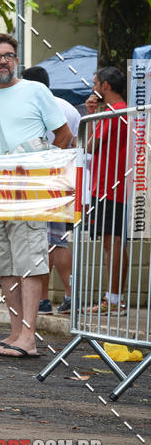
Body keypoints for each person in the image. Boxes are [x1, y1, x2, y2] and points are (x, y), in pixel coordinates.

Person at [0, 34, 72, 358]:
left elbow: (64, 136)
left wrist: (40, 174)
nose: (3, 60)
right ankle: (16, 334)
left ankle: (28, 337)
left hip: (28, 193)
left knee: (29, 261)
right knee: (4, 265)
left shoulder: (36, 91)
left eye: (9, 55)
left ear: (16, 60)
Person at [22, 65, 80, 316]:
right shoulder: (67, 106)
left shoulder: (36, 106)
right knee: (48, 240)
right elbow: (77, 141)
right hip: (66, 178)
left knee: (50, 241)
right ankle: (52, 298)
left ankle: (66, 295)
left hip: (46, 179)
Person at [85, 66, 129, 313]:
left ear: (106, 86)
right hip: (111, 186)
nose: (93, 88)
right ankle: (113, 298)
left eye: (95, 83)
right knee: (112, 243)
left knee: (112, 243)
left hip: (109, 187)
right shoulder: (117, 112)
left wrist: (92, 114)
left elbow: (90, 146)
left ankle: (113, 300)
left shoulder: (113, 112)